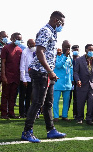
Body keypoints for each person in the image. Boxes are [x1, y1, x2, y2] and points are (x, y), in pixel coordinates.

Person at [22, 11, 67, 143]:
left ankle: (51, 130)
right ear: (55, 21)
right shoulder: (45, 31)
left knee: (48, 103)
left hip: (48, 72)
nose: (62, 26)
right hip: (40, 72)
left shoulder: (53, 33)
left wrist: (51, 71)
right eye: (62, 24)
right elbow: (39, 52)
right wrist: (49, 71)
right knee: (37, 102)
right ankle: (27, 131)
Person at [74, 44, 93, 125]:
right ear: (85, 50)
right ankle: (80, 118)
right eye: (89, 50)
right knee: (80, 102)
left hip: (92, 85)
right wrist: (77, 80)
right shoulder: (79, 60)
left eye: (92, 50)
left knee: (91, 102)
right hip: (82, 85)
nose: (91, 51)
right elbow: (75, 72)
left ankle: (89, 118)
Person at [0, 32, 23, 119]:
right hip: (7, 75)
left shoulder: (19, 50)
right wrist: (3, 76)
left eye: (20, 39)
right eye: (17, 39)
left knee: (13, 95)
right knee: (5, 95)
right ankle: (3, 113)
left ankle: (11, 112)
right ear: (12, 38)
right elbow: (3, 62)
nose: (18, 41)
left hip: (16, 76)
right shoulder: (6, 48)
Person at [53, 40, 73, 122]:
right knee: (56, 101)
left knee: (66, 102)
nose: (67, 48)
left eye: (69, 47)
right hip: (58, 83)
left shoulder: (69, 58)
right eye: (66, 47)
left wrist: (72, 81)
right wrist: (64, 56)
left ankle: (65, 115)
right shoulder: (57, 56)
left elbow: (71, 69)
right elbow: (58, 65)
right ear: (62, 47)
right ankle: (56, 116)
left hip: (67, 84)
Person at [19, 39, 36, 118]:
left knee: (29, 96)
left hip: (31, 77)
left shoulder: (34, 52)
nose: (33, 46)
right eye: (32, 45)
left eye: (34, 45)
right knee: (22, 96)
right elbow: (22, 66)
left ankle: (27, 112)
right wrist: (24, 79)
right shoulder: (24, 52)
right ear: (28, 44)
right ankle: (21, 113)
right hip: (25, 78)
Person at [70, 45, 80, 119]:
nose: (76, 51)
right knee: (68, 98)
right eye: (74, 50)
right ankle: (65, 114)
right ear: (72, 50)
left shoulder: (81, 59)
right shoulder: (69, 58)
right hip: (69, 81)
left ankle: (76, 114)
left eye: (77, 49)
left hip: (77, 82)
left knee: (77, 99)